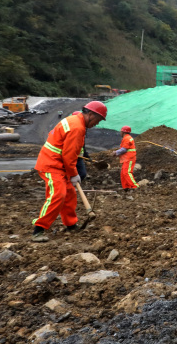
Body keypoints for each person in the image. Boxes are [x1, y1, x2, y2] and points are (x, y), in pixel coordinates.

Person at [31, 101, 107, 241]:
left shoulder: (75, 121)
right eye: (98, 119)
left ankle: (71, 224)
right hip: (51, 164)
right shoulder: (77, 127)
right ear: (90, 114)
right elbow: (69, 155)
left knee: (70, 195)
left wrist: (73, 172)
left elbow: (72, 151)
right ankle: (38, 230)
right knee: (58, 195)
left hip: (60, 164)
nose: (97, 123)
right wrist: (73, 174)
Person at [112, 125, 139, 190]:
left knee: (127, 172)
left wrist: (115, 152)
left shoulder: (127, 138)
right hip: (127, 158)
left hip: (129, 158)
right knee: (123, 173)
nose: (120, 133)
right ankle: (126, 187)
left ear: (123, 132)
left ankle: (135, 186)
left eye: (121, 131)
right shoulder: (127, 138)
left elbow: (124, 149)